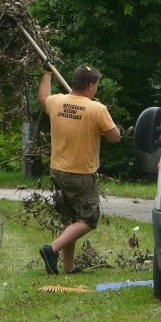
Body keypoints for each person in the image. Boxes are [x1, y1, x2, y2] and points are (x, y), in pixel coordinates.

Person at [37, 63, 121, 275]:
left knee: (71, 219)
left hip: (57, 170)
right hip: (80, 174)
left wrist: (46, 73)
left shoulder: (56, 102)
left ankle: (69, 266)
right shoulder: (97, 109)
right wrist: (102, 122)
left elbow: (42, 98)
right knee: (88, 220)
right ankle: (52, 249)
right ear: (91, 86)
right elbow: (115, 137)